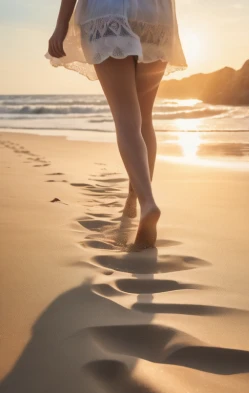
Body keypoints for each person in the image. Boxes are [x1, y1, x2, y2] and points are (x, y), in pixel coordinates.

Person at [47, 0, 187, 250]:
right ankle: (134, 199)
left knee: (126, 119)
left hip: (109, 10)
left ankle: (147, 203)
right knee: (144, 118)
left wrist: (60, 26)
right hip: (155, 14)